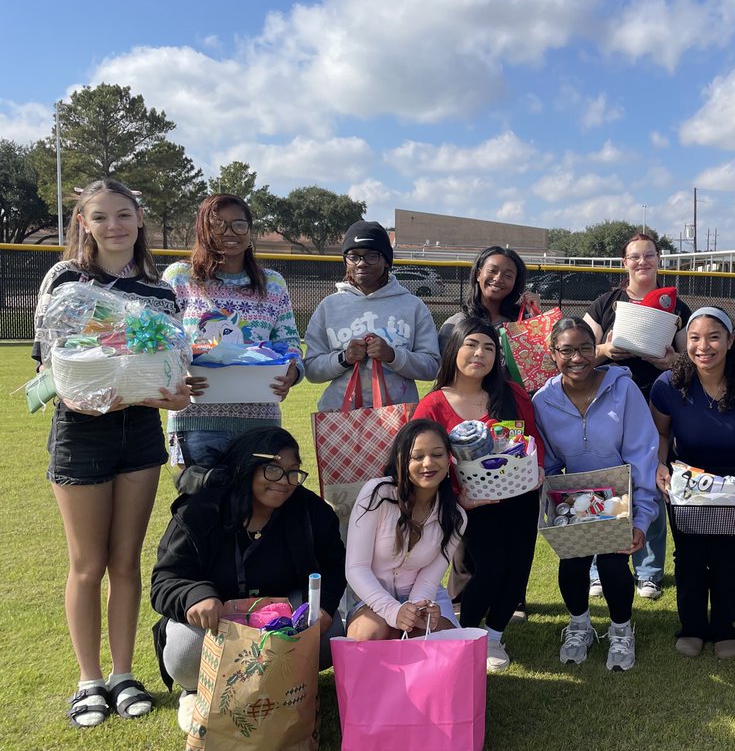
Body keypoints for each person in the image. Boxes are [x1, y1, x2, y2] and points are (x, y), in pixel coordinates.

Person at [33, 178, 191, 728]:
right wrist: (89, 397)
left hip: (141, 434)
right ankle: (89, 680)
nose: (114, 226)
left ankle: (124, 674)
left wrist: (173, 392)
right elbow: (48, 368)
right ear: (84, 224)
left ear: (140, 218)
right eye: (101, 218)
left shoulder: (158, 292)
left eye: (123, 215)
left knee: (126, 561)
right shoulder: (66, 280)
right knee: (87, 563)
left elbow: (170, 371)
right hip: (81, 434)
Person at [149, 427, 347, 732]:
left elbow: (335, 565)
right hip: (218, 625)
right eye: (273, 470)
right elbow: (165, 579)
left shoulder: (310, 511)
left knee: (333, 630)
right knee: (184, 647)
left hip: (280, 622)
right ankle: (194, 691)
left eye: (293, 472)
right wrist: (196, 596)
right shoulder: (201, 511)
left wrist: (322, 607)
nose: (284, 482)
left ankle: (283, 685)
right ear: (247, 466)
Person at [650, 307, 735, 660]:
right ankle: (691, 627)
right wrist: (660, 465)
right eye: (694, 338)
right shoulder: (669, 385)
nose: (703, 346)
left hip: (734, 483)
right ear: (685, 342)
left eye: (713, 337)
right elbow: (661, 433)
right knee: (689, 556)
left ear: (730, 340)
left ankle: (724, 628)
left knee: (726, 556)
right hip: (686, 484)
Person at [413, 317, 540, 671]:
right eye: (471, 344)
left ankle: (495, 635)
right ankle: (467, 634)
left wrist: (538, 466)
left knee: (517, 569)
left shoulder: (511, 394)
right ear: (453, 349)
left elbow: (533, 438)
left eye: (488, 347)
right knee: (489, 567)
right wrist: (457, 497)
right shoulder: (434, 405)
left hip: (519, 497)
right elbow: (424, 460)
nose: (480, 353)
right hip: (472, 504)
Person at [532, 318, 659, 671]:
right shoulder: (544, 401)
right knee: (572, 562)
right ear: (553, 353)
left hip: (620, 492)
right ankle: (579, 625)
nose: (577, 358)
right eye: (567, 350)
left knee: (613, 561)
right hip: (574, 496)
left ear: (597, 349)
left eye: (585, 348)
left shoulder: (624, 390)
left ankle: (620, 630)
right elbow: (551, 463)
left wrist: (641, 515)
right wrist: (556, 504)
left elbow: (642, 454)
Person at [583, 232, 692, 602]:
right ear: (624, 262)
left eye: (649, 255)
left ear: (659, 260)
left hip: (658, 404)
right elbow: (580, 353)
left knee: (651, 482)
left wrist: (668, 362)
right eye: (634, 256)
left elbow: (691, 361)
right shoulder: (605, 303)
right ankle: (600, 569)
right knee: (609, 482)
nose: (642, 262)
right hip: (609, 401)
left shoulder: (678, 306)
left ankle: (649, 572)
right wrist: (607, 349)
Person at [163, 194, 303, 468]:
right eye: (218, 225)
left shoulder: (272, 283)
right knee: (201, 508)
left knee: (256, 509)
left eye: (239, 225)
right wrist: (175, 378)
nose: (229, 233)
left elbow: (290, 344)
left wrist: (292, 372)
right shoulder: (179, 278)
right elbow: (163, 342)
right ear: (203, 229)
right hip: (196, 423)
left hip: (260, 425)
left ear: (250, 231)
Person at [436, 245, 534, 617]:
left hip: (509, 414)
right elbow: (450, 373)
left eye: (509, 274)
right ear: (478, 273)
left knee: (513, 521)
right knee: (470, 528)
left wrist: (532, 321)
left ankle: (511, 598)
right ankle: (462, 598)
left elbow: (538, 365)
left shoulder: (520, 320)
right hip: (468, 417)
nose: (499, 279)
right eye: (492, 271)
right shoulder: (456, 323)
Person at [345, 419, 467, 640]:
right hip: (372, 597)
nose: (428, 464)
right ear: (401, 461)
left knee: (443, 641)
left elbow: (429, 579)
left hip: (424, 596)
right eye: (417, 457)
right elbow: (356, 568)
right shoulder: (377, 495)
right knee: (371, 633)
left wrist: (417, 609)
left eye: (437, 454)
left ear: (449, 459)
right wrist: (394, 611)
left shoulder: (455, 517)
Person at [305, 221, 440, 411]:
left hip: (398, 416)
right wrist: (344, 358)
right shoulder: (329, 306)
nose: (361, 263)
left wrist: (392, 356)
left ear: (386, 260)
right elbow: (311, 370)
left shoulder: (413, 306)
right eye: (353, 256)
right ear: (346, 261)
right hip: (341, 417)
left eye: (371, 255)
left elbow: (432, 367)